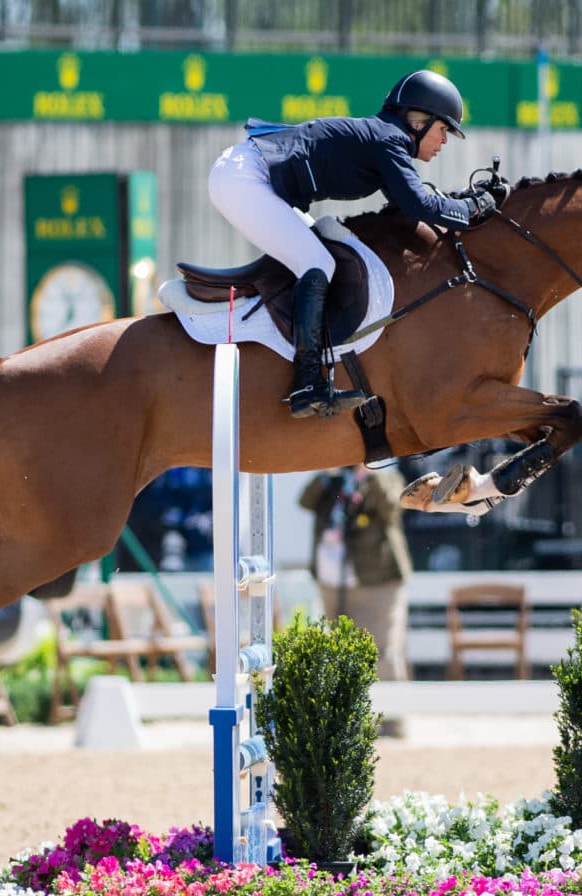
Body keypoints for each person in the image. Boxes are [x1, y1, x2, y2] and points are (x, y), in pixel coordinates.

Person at [208, 70, 504, 419]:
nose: (443, 142)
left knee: (320, 255)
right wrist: (475, 207)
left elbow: (414, 204)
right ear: (419, 121)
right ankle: (306, 383)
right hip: (243, 178)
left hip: (246, 175)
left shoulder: (386, 140)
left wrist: (464, 205)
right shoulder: (388, 140)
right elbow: (420, 205)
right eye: (443, 130)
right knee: (317, 263)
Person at [299, 464, 413, 681]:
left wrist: (369, 473)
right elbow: (305, 501)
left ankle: (389, 711)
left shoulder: (387, 477)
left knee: (380, 650)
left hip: (377, 581)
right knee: (339, 649)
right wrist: (327, 472)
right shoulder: (333, 480)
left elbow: (390, 508)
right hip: (332, 581)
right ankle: (350, 710)